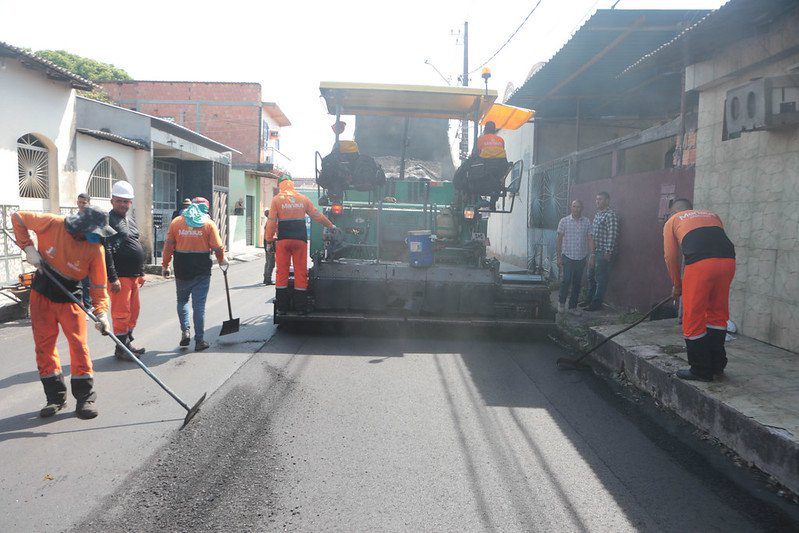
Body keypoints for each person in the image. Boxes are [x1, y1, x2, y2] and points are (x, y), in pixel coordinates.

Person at [12, 206, 115, 419]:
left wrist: (102, 312)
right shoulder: (52, 223)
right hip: (42, 292)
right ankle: (55, 398)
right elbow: (18, 218)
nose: (94, 238)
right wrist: (28, 247)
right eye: (92, 233)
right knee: (44, 346)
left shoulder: (96, 249)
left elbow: (97, 286)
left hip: (70, 296)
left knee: (79, 346)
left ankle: (85, 398)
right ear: (78, 226)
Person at [663, 198, 736, 382]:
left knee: (693, 316)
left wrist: (677, 285)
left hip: (701, 265)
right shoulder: (713, 216)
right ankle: (717, 365)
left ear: (673, 211)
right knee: (717, 314)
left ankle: (700, 370)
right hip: (728, 262)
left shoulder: (673, 220)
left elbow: (670, 256)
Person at [161, 197, 228, 351]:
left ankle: (185, 331)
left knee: (182, 301)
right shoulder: (208, 224)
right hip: (202, 271)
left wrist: (165, 265)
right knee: (199, 306)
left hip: (182, 270)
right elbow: (218, 247)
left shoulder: (176, 222)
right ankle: (199, 341)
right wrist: (222, 260)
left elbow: (168, 246)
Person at [265, 172, 336, 314]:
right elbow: (316, 215)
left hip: (283, 241)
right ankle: (301, 308)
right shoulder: (302, 198)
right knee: (300, 273)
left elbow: (271, 222)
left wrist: (268, 240)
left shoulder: (277, 200)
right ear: (292, 183)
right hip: (300, 241)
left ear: (280, 185)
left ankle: (282, 308)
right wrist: (331, 226)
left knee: (282, 273)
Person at [105, 181, 147, 360]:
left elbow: (137, 244)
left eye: (127, 201)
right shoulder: (108, 220)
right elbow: (106, 250)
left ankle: (126, 343)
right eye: (120, 201)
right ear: (112, 201)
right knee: (121, 313)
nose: (123, 204)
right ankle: (122, 348)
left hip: (133, 275)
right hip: (119, 275)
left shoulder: (130, 219)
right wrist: (112, 277)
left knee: (134, 310)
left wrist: (142, 271)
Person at [583, 192, 619, 311]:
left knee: (600, 278)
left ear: (607, 201)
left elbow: (612, 234)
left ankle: (596, 303)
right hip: (595, 251)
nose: (597, 201)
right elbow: (593, 234)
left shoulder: (610, 215)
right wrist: (592, 252)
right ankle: (589, 299)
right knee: (590, 276)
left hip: (604, 251)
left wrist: (608, 251)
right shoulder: (598, 214)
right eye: (596, 199)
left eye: (600, 199)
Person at [556, 199, 592, 314]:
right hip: (568, 256)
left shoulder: (586, 221)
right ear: (571, 208)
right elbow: (559, 239)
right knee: (566, 280)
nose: (576, 209)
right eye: (574, 206)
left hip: (581, 257)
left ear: (582, 208)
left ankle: (572, 307)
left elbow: (590, 238)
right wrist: (558, 257)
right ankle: (561, 303)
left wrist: (592, 255)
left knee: (577, 283)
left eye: (578, 207)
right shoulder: (564, 221)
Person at [77, 193, 92, 310]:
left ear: (88, 203)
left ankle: (88, 306)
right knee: (78, 282)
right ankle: (79, 306)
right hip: (76, 255)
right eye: (79, 202)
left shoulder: (92, 219)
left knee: (87, 283)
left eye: (84, 203)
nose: (81, 205)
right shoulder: (74, 218)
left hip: (89, 255)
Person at [263, 208, 276, 285]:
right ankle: (268, 279)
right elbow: (269, 235)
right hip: (269, 243)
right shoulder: (270, 222)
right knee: (271, 262)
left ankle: (266, 278)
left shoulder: (268, 222)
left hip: (267, 242)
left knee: (268, 261)